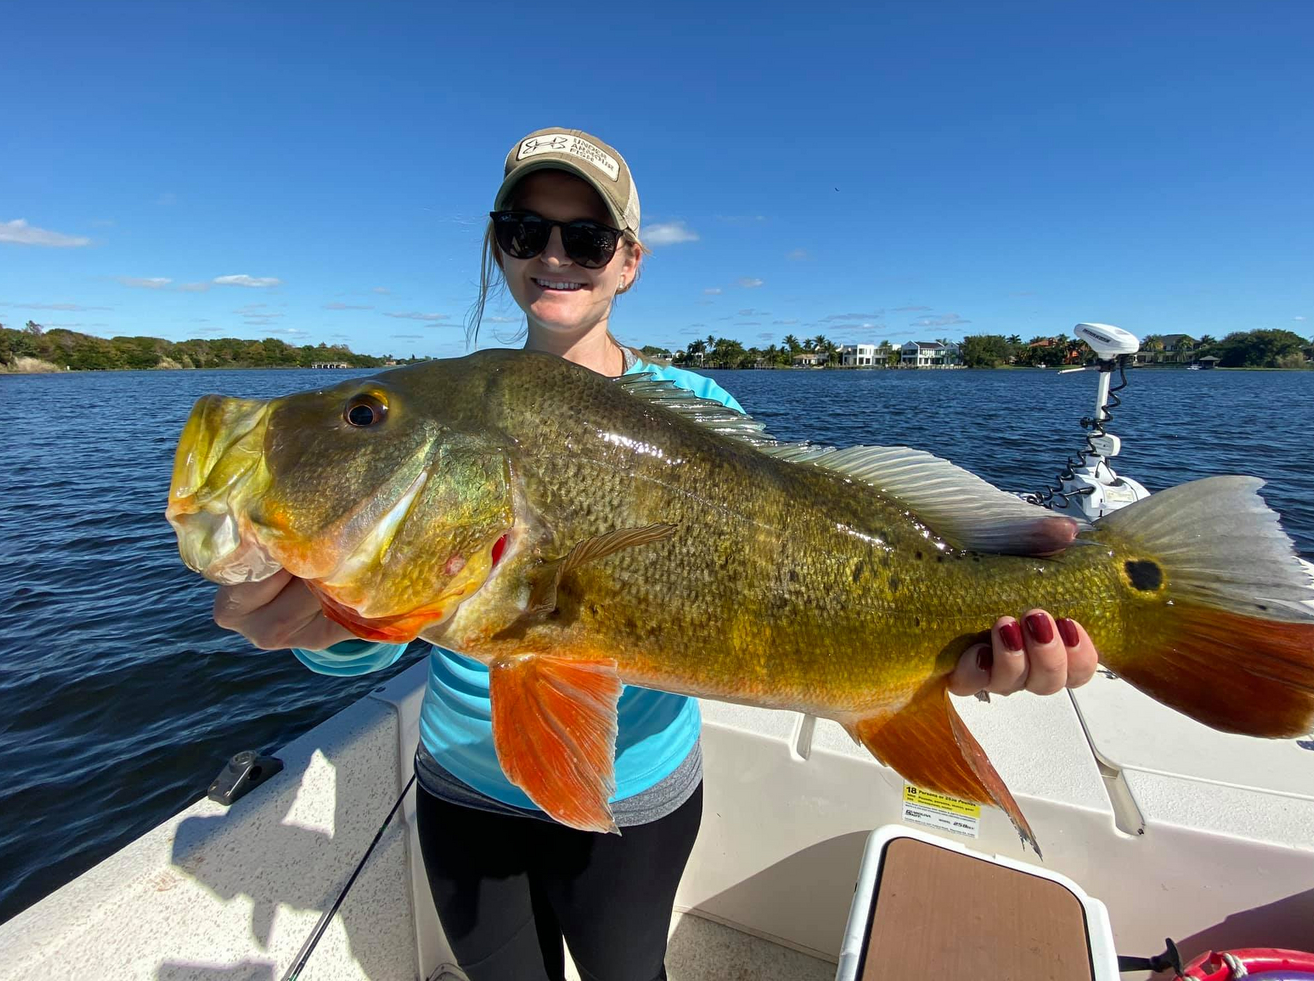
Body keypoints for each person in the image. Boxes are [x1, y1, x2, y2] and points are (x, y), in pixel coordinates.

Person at [212, 127, 1100, 981]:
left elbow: (791, 565)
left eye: (588, 237)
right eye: (526, 231)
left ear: (629, 261)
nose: (553, 255)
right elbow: (375, 635)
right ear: (499, 248)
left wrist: (959, 654)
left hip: (635, 793)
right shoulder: (453, 406)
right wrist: (317, 625)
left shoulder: (690, 402)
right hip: (459, 784)